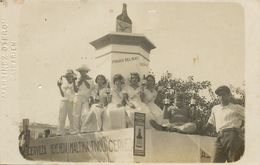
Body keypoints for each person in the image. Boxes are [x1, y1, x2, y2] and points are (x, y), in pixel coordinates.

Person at [203, 85, 245, 162]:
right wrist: (201, 132)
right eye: (219, 95)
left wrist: (243, 129)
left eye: (224, 94)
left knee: (233, 160)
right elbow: (210, 122)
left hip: (232, 136)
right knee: (215, 161)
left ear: (229, 95)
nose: (221, 97)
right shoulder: (215, 108)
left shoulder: (236, 107)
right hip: (219, 136)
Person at [71, 64, 94, 134]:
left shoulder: (91, 80)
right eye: (81, 71)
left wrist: (91, 98)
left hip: (86, 98)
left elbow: (91, 89)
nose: (83, 73)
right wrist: (74, 82)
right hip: (77, 97)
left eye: (84, 71)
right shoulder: (77, 79)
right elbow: (75, 90)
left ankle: (84, 129)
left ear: (87, 71)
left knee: (85, 113)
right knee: (76, 114)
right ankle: (76, 130)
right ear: (79, 72)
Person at [56, 69, 75, 136]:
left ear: (72, 77)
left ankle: (72, 131)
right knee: (61, 117)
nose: (69, 78)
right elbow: (62, 94)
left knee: (72, 117)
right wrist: (59, 87)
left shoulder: (75, 83)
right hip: (64, 101)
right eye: (67, 76)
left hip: (72, 101)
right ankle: (59, 132)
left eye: (70, 76)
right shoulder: (65, 84)